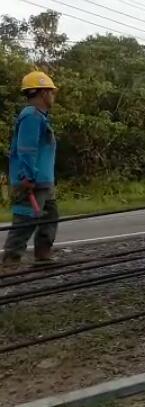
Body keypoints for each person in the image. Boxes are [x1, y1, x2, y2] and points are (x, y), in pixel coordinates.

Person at [2, 71, 59, 266]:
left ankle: (43, 254)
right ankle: (11, 261)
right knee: (25, 221)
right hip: (31, 181)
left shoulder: (41, 117)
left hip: (43, 182)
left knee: (49, 218)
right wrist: (28, 176)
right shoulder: (31, 116)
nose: (53, 96)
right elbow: (26, 150)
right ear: (43, 93)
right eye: (51, 92)